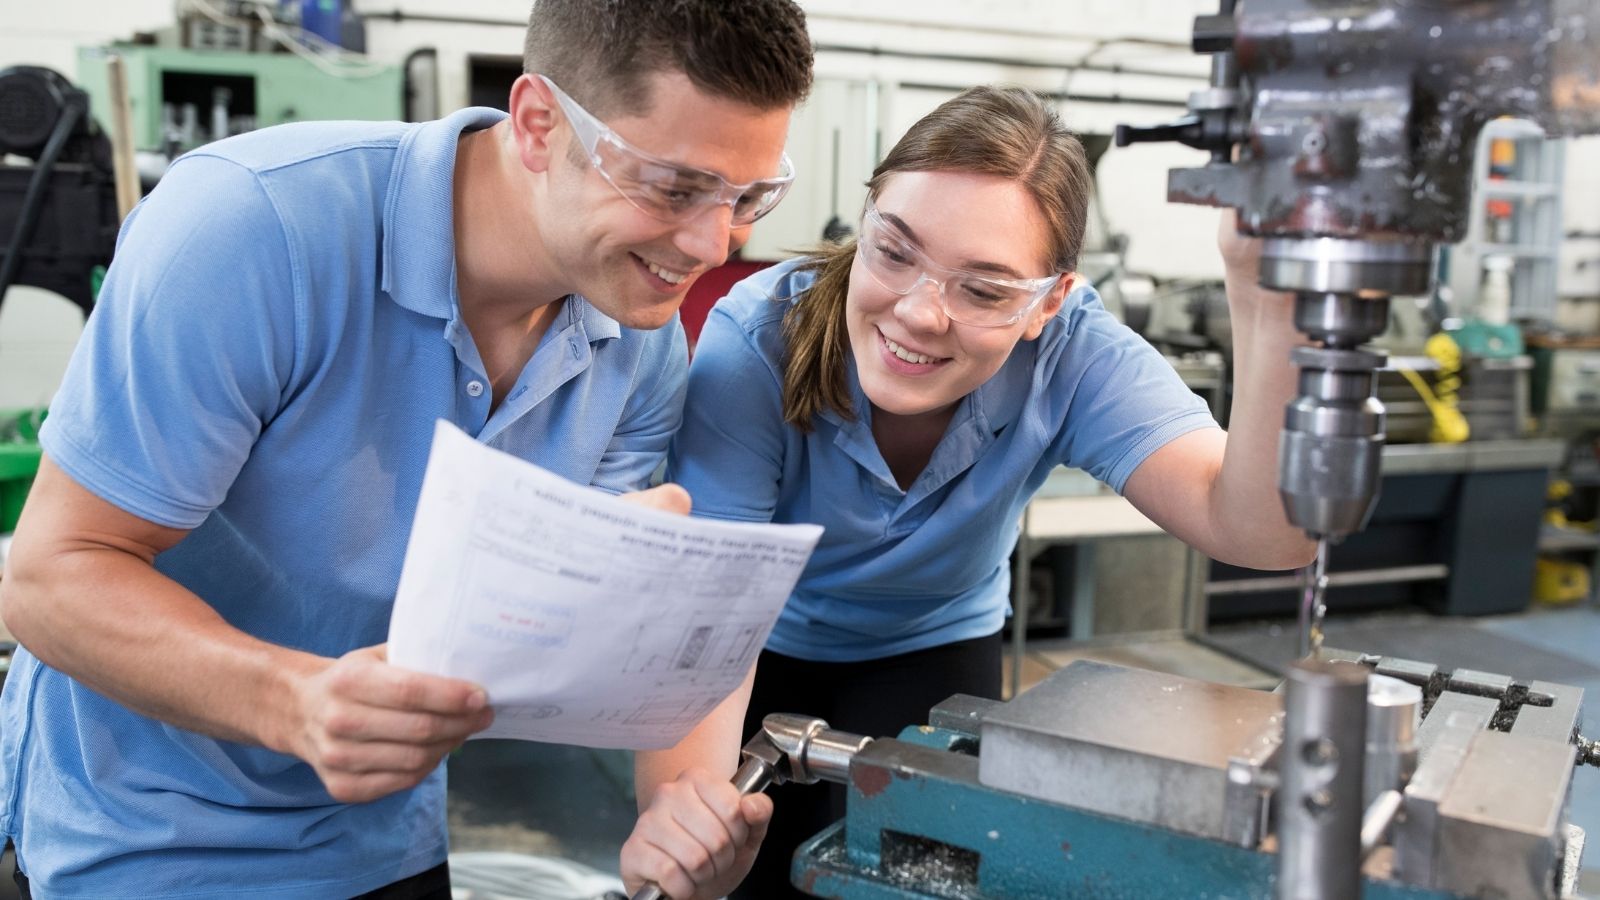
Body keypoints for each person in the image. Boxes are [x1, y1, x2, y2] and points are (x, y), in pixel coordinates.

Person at [0, 1, 810, 896]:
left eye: (746, 199)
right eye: (672, 187)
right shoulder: (254, 229)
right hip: (152, 831)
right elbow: (49, 577)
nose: (710, 244)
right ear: (539, 124)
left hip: (390, 829)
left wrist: (673, 785)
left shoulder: (638, 337)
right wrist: (295, 702)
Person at [626, 85, 1317, 898]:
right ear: (868, 218)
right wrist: (683, 813)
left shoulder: (1074, 356)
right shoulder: (760, 334)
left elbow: (1263, 531)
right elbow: (714, 598)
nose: (920, 313)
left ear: (1047, 302)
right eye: (895, 252)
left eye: (985, 289)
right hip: (754, 648)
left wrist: (1270, 298)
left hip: (933, 648)